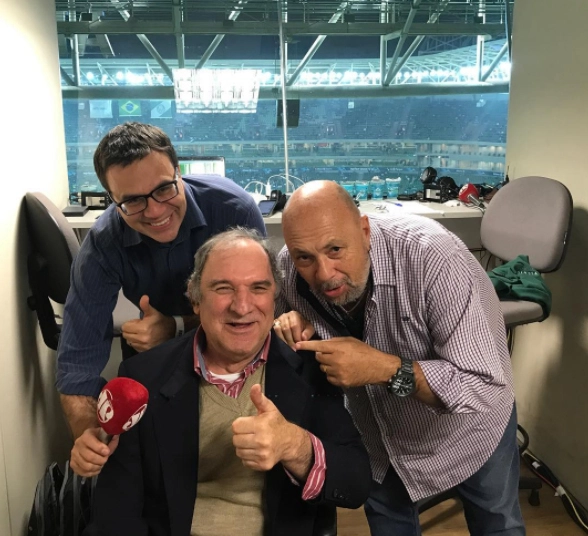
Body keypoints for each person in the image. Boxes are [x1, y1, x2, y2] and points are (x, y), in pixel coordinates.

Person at [274, 181, 525, 536]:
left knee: (497, 525)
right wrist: (291, 325)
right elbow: (288, 343)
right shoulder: (289, 269)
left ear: (364, 231)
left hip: (471, 431)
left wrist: (381, 368)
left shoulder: (435, 258)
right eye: (305, 257)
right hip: (379, 438)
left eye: (335, 249)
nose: (325, 274)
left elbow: (480, 385)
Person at [84, 228, 371, 536]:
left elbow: (355, 484)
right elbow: (116, 513)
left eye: (258, 288)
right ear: (195, 299)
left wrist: (293, 444)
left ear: (275, 296)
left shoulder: (310, 371)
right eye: (223, 288)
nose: (242, 306)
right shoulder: (142, 377)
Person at [59, 122, 266, 477]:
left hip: (236, 349)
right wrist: (88, 435)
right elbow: (77, 362)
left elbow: (258, 312)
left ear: (179, 174)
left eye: (164, 189)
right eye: (133, 200)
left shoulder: (233, 211)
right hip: (152, 359)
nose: (154, 211)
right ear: (112, 200)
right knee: (152, 469)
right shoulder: (103, 242)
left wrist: (175, 327)